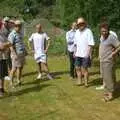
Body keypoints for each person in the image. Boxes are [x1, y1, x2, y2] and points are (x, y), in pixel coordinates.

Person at [99, 23, 120, 101]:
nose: (104, 33)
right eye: (102, 31)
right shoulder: (102, 37)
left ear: (108, 30)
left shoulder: (111, 37)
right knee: (106, 77)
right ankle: (110, 91)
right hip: (103, 60)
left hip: (109, 61)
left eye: (105, 31)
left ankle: (110, 95)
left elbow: (119, 46)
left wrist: (113, 53)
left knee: (108, 78)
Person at [74, 17, 94, 87]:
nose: (81, 24)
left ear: (84, 24)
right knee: (77, 68)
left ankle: (86, 83)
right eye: (79, 23)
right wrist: (74, 52)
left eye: (82, 23)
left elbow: (91, 44)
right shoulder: (76, 32)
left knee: (84, 69)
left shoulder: (88, 31)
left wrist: (89, 54)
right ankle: (79, 81)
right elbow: (75, 44)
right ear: (77, 25)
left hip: (85, 54)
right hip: (78, 54)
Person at [8, 20, 26, 87]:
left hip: (21, 53)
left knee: (20, 67)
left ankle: (18, 80)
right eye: (17, 25)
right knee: (14, 68)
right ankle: (11, 82)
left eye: (20, 25)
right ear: (14, 25)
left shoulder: (20, 33)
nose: (18, 26)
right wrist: (14, 54)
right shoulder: (12, 34)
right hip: (15, 54)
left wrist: (25, 51)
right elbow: (10, 45)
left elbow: (21, 43)